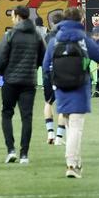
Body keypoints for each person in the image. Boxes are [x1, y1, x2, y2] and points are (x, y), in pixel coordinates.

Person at [41, 6, 99, 178]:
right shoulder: (83, 38)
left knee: (71, 124)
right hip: (80, 85)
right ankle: (71, 164)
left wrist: (55, 82)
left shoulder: (54, 40)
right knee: (76, 126)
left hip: (61, 87)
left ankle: (76, 161)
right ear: (80, 20)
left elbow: (45, 66)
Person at [0, 5, 46, 164]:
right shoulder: (37, 35)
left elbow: (1, 59)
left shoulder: (10, 34)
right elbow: (42, 58)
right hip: (29, 82)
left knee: (6, 113)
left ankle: (11, 150)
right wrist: (33, 67)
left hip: (10, 81)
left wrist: (4, 73)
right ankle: (24, 154)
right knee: (27, 117)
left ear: (17, 17)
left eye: (12, 16)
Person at [42, 8, 65, 145]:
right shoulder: (65, 35)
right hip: (61, 71)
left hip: (47, 71)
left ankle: (50, 132)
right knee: (63, 104)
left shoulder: (47, 36)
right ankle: (59, 137)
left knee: (48, 102)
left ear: (52, 22)